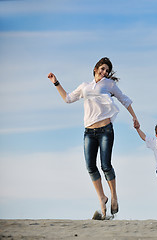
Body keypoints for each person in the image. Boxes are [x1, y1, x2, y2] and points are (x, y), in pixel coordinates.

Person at [47, 57, 140, 219]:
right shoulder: (85, 86)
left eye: (107, 70)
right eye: (102, 69)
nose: (104, 72)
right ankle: (102, 198)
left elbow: (124, 99)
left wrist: (134, 117)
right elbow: (68, 99)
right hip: (89, 132)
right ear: (96, 68)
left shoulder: (109, 85)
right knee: (90, 167)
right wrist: (56, 83)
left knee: (105, 165)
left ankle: (114, 196)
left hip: (105, 130)